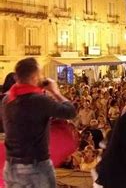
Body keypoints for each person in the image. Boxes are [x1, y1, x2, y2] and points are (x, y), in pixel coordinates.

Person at [2, 57, 76, 188]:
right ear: (35, 77)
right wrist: (55, 91)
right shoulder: (39, 101)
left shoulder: (8, 100)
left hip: (11, 167)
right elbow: (70, 112)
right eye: (40, 74)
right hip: (35, 167)